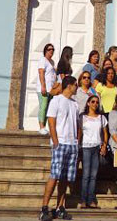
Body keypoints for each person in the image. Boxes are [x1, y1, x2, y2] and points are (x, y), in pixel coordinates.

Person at [39, 76, 79, 221]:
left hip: (72, 144)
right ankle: (44, 208)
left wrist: (77, 141)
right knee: (54, 175)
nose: (77, 87)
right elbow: (51, 121)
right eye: (76, 85)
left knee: (65, 178)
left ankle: (60, 207)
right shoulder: (56, 100)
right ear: (69, 86)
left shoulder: (75, 104)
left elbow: (77, 124)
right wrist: (55, 140)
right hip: (60, 143)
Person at [78, 94, 108, 209]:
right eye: (93, 102)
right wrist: (78, 145)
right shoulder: (82, 117)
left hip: (97, 147)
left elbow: (105, 133)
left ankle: (91, 199)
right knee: (86, 175)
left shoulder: (101, 118)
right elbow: (79, 132)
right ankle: (83, 200)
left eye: (97, 102)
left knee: (93, 175)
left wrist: (104, 145)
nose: (95, 104)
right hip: (85, 147)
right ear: (88, 103)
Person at [37, 43, 56, 136]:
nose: (51, 51)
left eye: (53, 49)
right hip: (44, 88)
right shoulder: (42, 60)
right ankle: (41, 127)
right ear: (45, 50)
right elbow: (41, 73)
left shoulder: (52, 62)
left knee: (48, 108)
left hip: (51, 90)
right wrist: (43, 86)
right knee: (43, 107)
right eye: (49, 49)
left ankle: (44, 127)